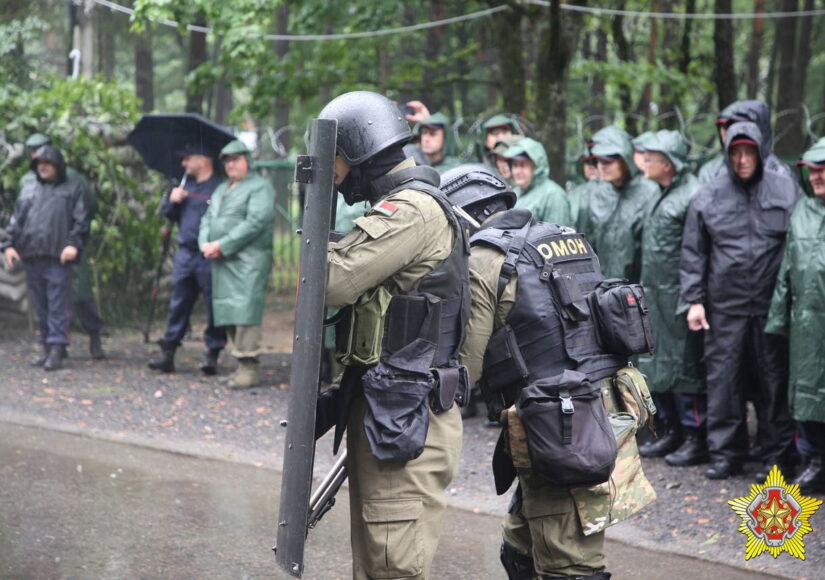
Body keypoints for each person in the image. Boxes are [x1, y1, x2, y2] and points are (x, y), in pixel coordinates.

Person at [448, 164, 654, 579]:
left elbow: (465, 367)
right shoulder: (563, 236)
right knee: (522, 542)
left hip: (560, 424)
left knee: (569, 560)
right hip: (604, 404)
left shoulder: (487, 258)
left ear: (463, 214)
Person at [319, 90, 468, 579]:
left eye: (334, 161)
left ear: (359, 152)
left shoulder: (411, 211)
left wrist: (310, 208)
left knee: (391, 568)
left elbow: (330, 281)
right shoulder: (409, 206)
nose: (333, 174)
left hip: (405, 417)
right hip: (393, 408)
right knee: (377, 563)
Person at [681, 121, 801, 480]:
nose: (743, 159)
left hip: (770, 307)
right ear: (728, 154)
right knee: (724, 382)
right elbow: (693, 252)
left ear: (761, 152)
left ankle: (776, 457)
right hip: (724, 307)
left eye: (749, 152)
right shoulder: (710, 195)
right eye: (736, 152)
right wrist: (694, 301)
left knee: (773, 383)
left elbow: (798, 246)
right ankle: (726, 454)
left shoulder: (785, 189)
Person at [636, 131, 708, 466]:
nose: (644, 163)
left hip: (680, 295)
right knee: (659, 365)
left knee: (685, 369)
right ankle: (671, 430)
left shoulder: (692, 194)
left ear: (668, 164)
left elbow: (698, 250)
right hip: (655, 293)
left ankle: (696, 436)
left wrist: (694, 296)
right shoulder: (659, 193)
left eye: (650, 158)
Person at [766, 137, 825, 494]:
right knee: (805, 391)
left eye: (823, 170)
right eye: (812, 171)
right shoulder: (802, 211)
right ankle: (814, 459)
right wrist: (778, 320)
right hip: (805, 322)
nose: (817, 177)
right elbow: (786, 268)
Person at [2, 145, 89, 371]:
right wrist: (8, 246)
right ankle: (46, 348)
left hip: (58, 257)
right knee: (40, 305)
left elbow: (81, 222)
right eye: (39, 163)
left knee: (58, 304)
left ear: (57, 165)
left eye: (47, 163)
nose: (42, 167)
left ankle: (57, 349)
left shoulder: (72, 189)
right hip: (32, 256)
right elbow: (15, 222)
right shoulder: (29, 191)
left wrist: (73, 244)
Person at [20, 133, 106, 359]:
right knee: (45, 299)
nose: (37, 155)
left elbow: (89, 208)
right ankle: (53, 345)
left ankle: (93, 334)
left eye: (40, 149)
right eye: (33, 151)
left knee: (80, 293)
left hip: (68, 246)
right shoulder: (27, 182)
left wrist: (74, 240)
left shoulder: (73, 179)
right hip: (39, 249)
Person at [198, 140, 274, 389]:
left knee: (245, 313)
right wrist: (204, 243)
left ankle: (249, 367)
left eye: (236, 159)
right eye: (227, 160)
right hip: (222, 261)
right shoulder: (221, 189)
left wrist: (222, 244)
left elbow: (256, 221)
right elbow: (207, 218)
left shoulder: (260, 187)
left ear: (247, 160)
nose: (231, 164)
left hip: (247, 261)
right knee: (228, 311)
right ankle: (240, 365)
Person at [148, 145, 226, 375]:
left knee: (214, 305)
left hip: (210, 255)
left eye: (187, 158)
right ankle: (168, 353)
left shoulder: (220, 187)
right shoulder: (183, 184)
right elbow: (170, 216)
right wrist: (172, 201)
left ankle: (212, 355)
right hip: (185, 253)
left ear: (203, 160)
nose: (183, 164)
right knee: (178, 303)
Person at [576, 126, 658, 282]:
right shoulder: (592, 194)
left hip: (637, 291)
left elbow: (653, 257)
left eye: (608, 160)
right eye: (598, 160)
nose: (602, 166)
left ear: (625, 159)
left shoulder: (650, 193)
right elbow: (583, 247)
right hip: (600, 291)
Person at [698, 100, 792, 184]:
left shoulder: (779, 172)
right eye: (721, 128)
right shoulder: (712, 170)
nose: (724, 134)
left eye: (729, 127)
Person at [502, 137, 572, 226]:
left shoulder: (554, 195)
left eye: (523, 165)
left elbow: (557, 236)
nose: (517, 171)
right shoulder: (515, 193)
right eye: (515, 165)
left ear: (536, 167)